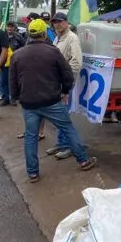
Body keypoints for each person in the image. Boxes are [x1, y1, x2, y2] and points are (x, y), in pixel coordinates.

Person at [9, 19, 97, 182]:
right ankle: (83, 160)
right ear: (44, 33)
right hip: (52, 101)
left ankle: (33, 173)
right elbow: (67, 75)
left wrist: (17, 98)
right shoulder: (53, 51)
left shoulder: (17, 55)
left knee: (31, 137)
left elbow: (12, 81)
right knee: (68, 128)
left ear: (29, 34)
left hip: (29, 103)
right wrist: (64, 91)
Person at [46, 12, 84, 159]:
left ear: (66, 22)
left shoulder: (72, 38)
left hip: (64, 84)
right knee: (59, 116)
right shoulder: (57, 38)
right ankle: (61, 143)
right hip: (56, 82)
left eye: (60, 22)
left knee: (64, 116)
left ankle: (69, 146)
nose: (57, 24)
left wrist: (66, 83)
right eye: (55, 22)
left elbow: (76, 63)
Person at [0, 21, 25, 106]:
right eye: (8, 27)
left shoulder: (19, 37)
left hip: (15, 64)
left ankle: (13, 98)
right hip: (4, 63)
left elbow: (24, 49)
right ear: (6, 27)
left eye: (11, 27)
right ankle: (5, 98)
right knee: (4, 82)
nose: (10, 28)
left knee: (14, 82)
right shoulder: (2, 36)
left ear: (14, 28)